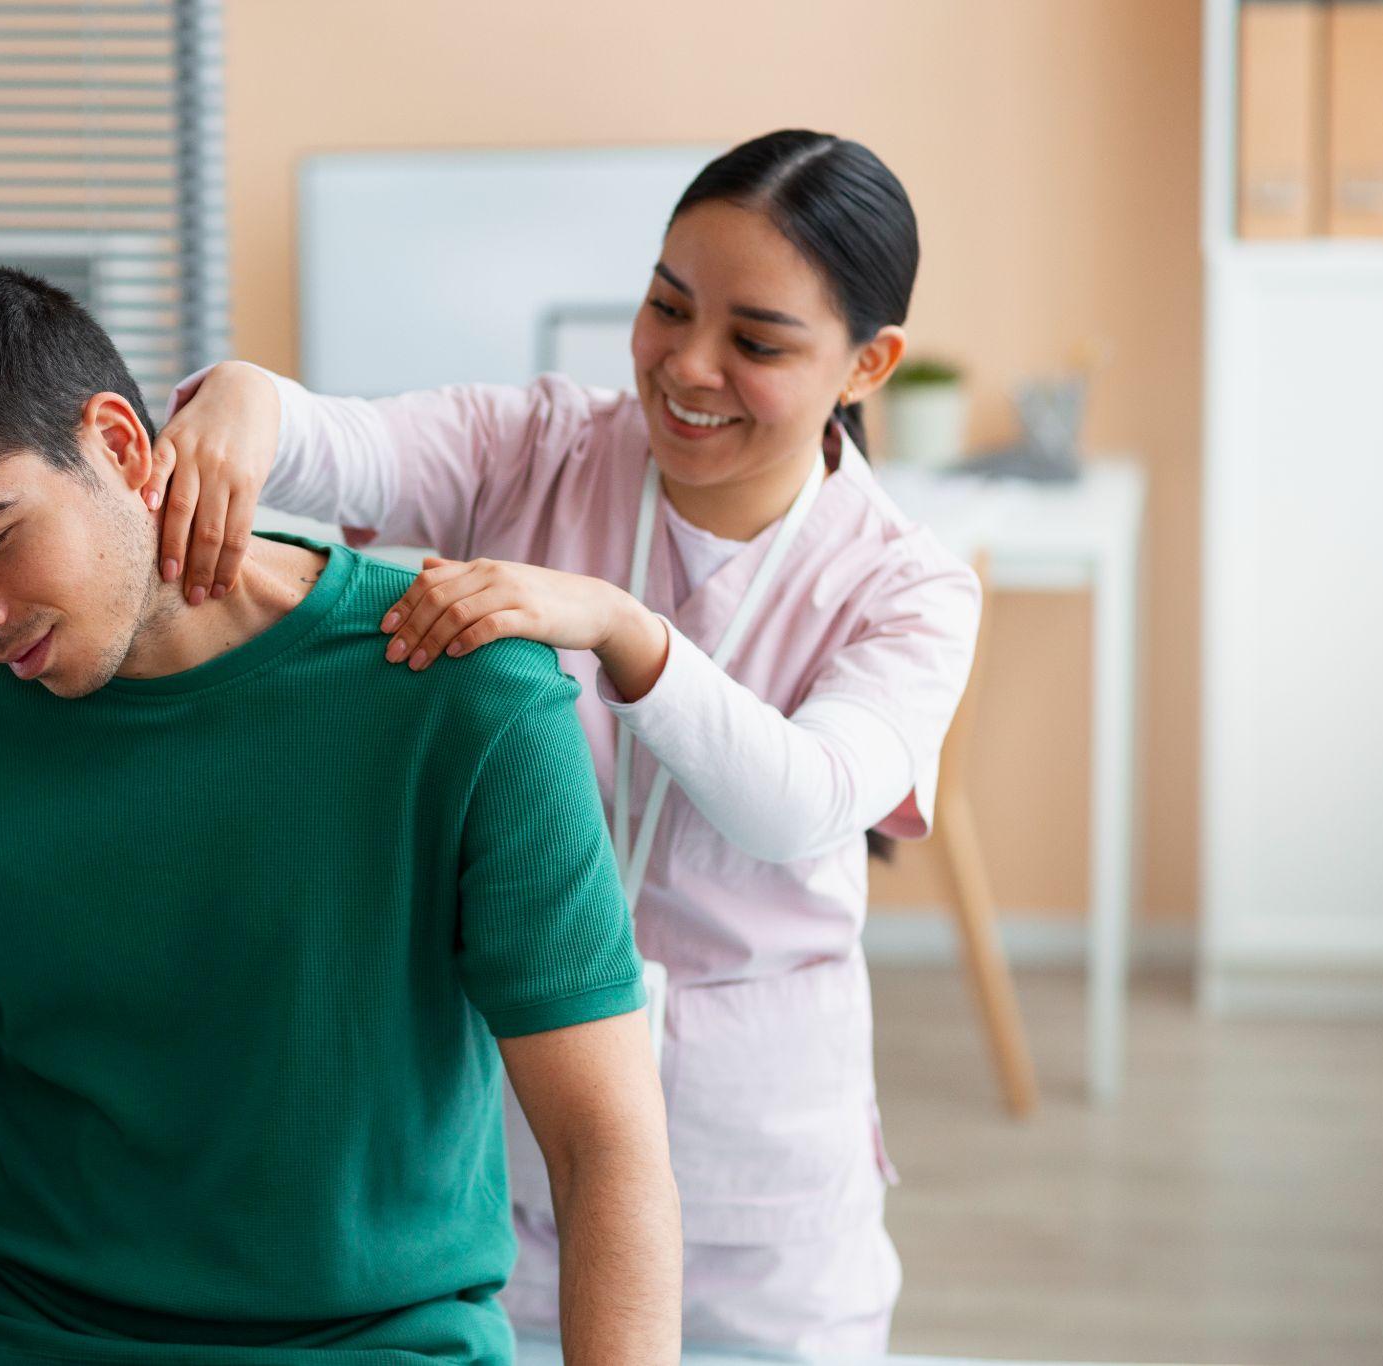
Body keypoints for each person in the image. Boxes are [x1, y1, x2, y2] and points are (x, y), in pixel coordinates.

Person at [0, 263, 681, 1366]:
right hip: (4, 1329)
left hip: (365, 1342)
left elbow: (603, 1148)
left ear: (117, 443)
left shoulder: (463, 695)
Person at [151, 129, 981, 1358]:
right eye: (663, 306)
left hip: (754, 1184)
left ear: (868, 362)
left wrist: (617, 628)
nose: (686, 366)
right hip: (505, 1145)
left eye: (754, 341)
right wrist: (244, 399)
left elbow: (803, 803)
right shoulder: (537, 445)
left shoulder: (906, 586)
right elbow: (347, 442)